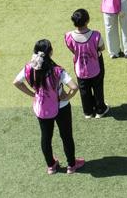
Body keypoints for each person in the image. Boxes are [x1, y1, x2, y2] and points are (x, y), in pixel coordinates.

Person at [13, 39, 84, 175]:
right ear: (50, 52)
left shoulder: (29, 68)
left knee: (46, 137)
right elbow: (74, 87)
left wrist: (33, 94)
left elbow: (16, 82)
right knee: (66, 136)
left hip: (41, 107)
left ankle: (51, 166)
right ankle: (71, 165)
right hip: (61, 107)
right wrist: (66, 97)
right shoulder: (57, 70)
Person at [64, 8, 108, 118]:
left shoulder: (69, 36)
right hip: (96, 66)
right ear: (87, 21)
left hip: (80, 67)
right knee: (98, 88)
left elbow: (71, 48)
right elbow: (102, 48)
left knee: (84, 90)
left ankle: (88, 112)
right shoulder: (96, 35)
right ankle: (100, 110)